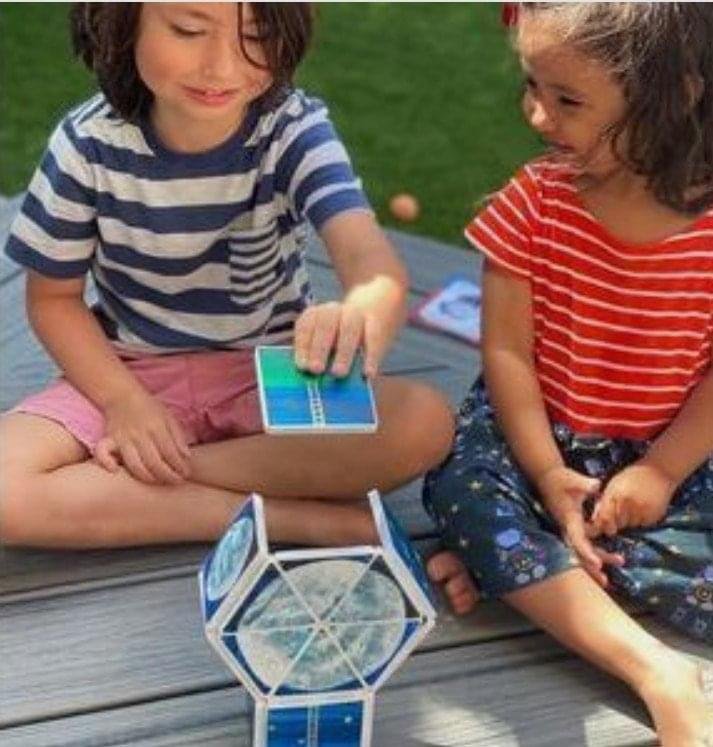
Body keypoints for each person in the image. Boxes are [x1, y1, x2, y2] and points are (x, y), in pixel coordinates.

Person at [0, 2, 454, 550]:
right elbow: (53, 299)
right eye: (189, 30)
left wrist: (361, 308)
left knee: (424, 423)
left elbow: (370, 262)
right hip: (129, 372)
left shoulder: (294, 129)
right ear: (122, 20)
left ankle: (150, 476)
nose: (222, 66)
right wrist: (124, 404)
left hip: (271, 377)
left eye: (256, 36)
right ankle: (288, 519)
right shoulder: (84, 145)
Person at [423, 3, 713, 745]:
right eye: (532, 86)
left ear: (673, 93)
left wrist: (659, 471)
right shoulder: (533, 202)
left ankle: (528, 572)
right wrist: (548, 473)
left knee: (510, 535)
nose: (537, 115)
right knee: (463, 489)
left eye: (567, 99)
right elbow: (506, 356)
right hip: (533, 443)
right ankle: (655, 669)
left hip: (666, 456)